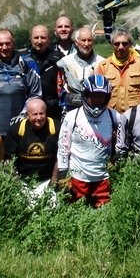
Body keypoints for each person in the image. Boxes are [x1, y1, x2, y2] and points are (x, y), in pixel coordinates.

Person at [55, 75, 120, 208]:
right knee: (76, 213)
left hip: (103, 177)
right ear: (85, 95)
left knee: (104, 215)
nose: (97, 100)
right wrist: (62, 174)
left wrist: (117, 162)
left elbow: (123, 143)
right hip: (77, 176)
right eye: (93, 95)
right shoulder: (72, 116)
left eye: (101, 96)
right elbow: (63, 146)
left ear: (107, 98)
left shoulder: (114, 116)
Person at [0, 28, 41, 137]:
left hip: (22, 125)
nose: (4, 47)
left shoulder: (28, 64)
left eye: (7, 44)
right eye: (0, 44)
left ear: (13, 43)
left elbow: (36, 94)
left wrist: (24, 114)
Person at [4, 97, 58, 183]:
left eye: (41, 113)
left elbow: (61, 157)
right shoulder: (16, 130)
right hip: (21, 181)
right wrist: (15, 181)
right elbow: (8, 158)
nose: (39, 117)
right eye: (35, 114)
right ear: (27, 115)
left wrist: (53, 183)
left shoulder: (55, 128)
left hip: (47, 180)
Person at [95, 29, 140, 113]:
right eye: (116, 44)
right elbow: (98, 94)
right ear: (112, 45)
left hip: (136, 114)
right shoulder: (103, 66)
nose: (121, 47)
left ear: (130, 44)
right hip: (111, 114)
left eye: (124, 43)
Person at [56, 26, 105, 113]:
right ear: (76, 42)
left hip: (95, 109)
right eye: (83, 40)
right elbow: (59, 87)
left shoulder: (102, 63)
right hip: (71, 109)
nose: (86, 44)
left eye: (89, 40)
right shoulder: (64, 63)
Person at [22, 24, 62, 121]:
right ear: (30, 39)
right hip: (27, 112)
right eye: (36, 37)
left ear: (49, 40)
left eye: (43, 38)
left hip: (53, 112)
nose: (39, 41)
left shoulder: (59, 59)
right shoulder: (22, 59)